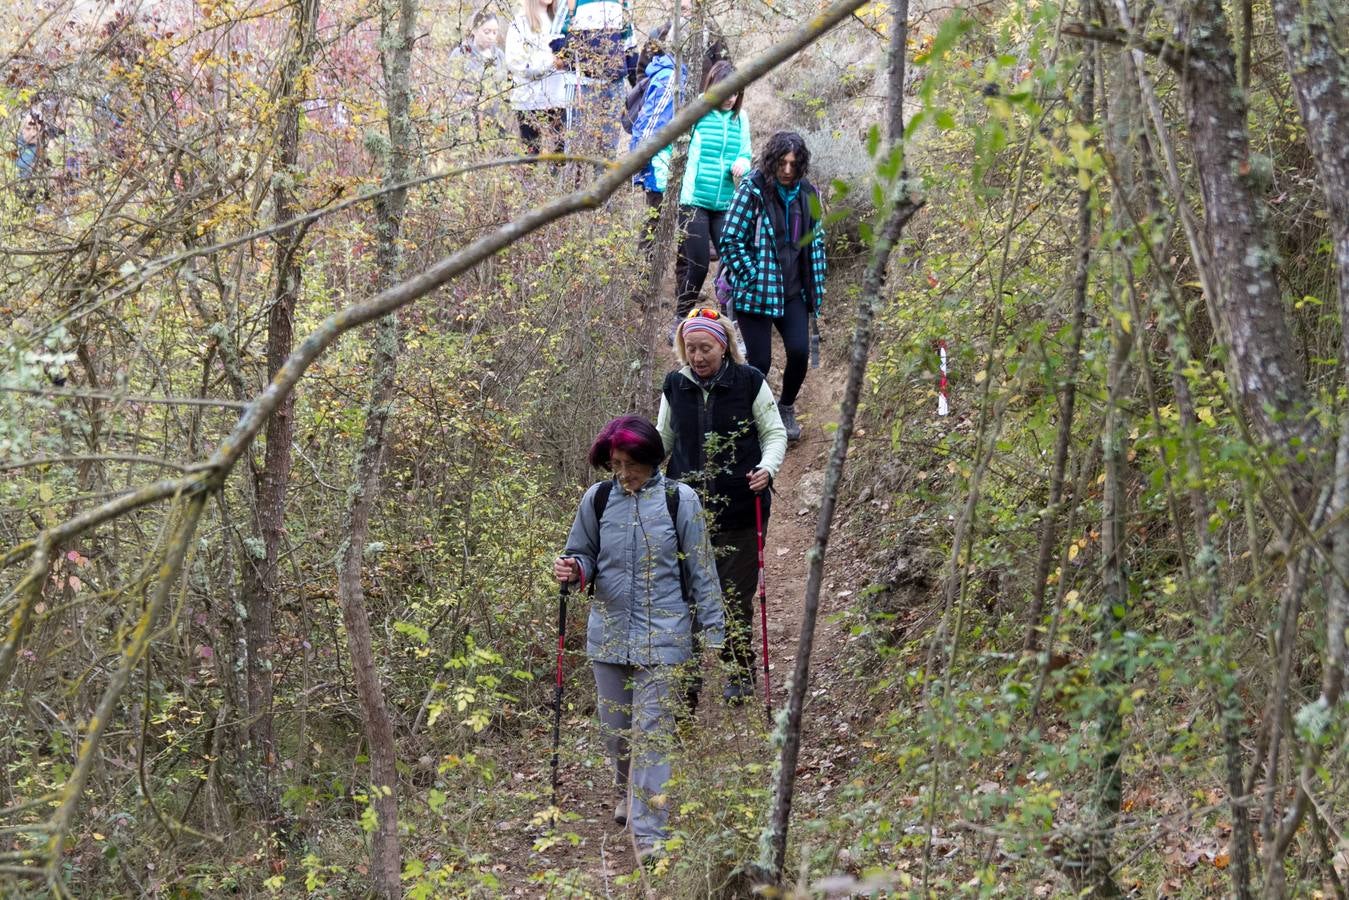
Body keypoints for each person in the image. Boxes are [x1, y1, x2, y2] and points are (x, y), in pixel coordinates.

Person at [554, 415, 724, 864]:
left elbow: (702, 569)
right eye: (616, 464)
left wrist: (714, 632)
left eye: (631, 463)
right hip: (608, 635)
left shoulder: (678, 499)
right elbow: (582, 553)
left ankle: (650, 836)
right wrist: (574, 570)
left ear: (654, 460)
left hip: (665, 636)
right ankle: (625, 789)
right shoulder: (599, 498)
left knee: (653, 734)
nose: (624, 473)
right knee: (617, 733)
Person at [657, 308, 786, 703]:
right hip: (685, 515)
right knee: (686, 597)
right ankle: (688, 682)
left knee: (733, 594)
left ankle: (739, 672)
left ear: (724, 346)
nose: (698, 357)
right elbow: (661, 440)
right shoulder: (675, 385)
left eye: (706, 348)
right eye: (691, 348)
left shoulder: (749, 382)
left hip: (741, 510)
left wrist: (766, 469)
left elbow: (774, 433)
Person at [719, 131, 826, 443]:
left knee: (798, 351)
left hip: (793, 291)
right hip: (756, 292)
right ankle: (746, 416)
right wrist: (750, 275)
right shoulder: (752, 190)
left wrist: (814, 285)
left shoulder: (809, 193)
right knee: (759, 362)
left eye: (794, 163)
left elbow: (816, 240)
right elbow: (730, 239)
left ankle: (786, 407)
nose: (788, 170)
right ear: (772, 160)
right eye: (782, 162)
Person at [654, 59, 751, 331]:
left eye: (736, 93)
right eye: (726, 92)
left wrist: (743, 164)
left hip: (725, 202)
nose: (731, 98)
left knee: (731, 263)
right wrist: (667, 185)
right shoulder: (696, 111)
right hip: (693, 200)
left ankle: (728, 323)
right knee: (697, 265)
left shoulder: (740, 118)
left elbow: (745, 153)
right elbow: (666, 147)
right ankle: (680, 321)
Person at [626, 25, 684, 257]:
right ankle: (643, 280)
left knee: (661, 218)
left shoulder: (676, 71)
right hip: (659, 162)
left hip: (667, 158)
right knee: (656, 218)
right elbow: (649, 123)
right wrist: (640, 159)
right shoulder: (670, 76)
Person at [505, 0, 572, 156]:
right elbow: (516, 62)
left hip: (557, 100)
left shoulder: (561, 20)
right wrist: (550, 62)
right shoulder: (520, 22)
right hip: (528, 101)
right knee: (530, 157)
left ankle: (557, 180)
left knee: (560, 156)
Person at [448, 10, 507, 136]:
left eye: (494, 32)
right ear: (474, 30)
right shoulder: (460, 54)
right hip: (468, 125)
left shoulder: (500, 56)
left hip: (496, 124)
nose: (491, 36)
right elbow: (451, 90)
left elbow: (505, 89)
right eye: (487, 32)